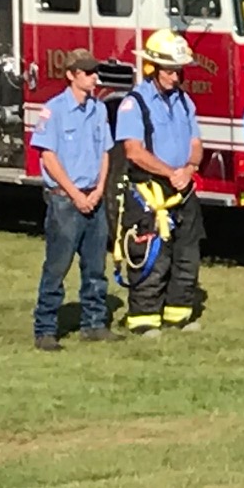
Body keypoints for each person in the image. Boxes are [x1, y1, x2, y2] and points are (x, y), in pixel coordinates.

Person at [114, 29, 204, 334]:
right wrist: (171, 173)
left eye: (179, 71)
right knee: (151, 256)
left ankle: (179, 314)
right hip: (150, 192)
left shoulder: (184, 101)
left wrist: (190, 168)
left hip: (184, 187)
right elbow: (134, 151)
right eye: (170, 71)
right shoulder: (134, 103)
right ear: (152, 67)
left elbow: (196, 141)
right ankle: (144, 319)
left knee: (187, 255)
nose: (176, 77)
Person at [30, 51, 115, 350]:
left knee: (95, 268)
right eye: (88, 72)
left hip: (94, 196)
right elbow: (48, 157)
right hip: (65, 201)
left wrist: (99, 189)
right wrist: (76, 194)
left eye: (95, 71)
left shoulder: (99, 110)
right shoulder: (54, 111)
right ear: (72, 74)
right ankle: (45, 329)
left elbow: (106, 152)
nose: (94, 77)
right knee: (57, 267)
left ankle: (94, 323)